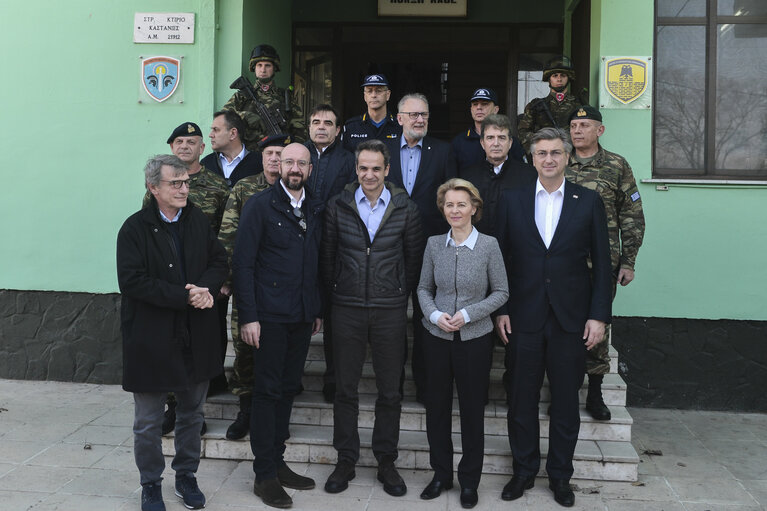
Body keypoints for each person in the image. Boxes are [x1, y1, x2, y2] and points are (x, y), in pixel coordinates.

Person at [494, 128, 611, 507]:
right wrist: (501, 309)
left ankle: (561, 477)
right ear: (531, 158)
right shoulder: (511, 199)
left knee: (564, 403)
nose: (548, 159)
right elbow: (500, 261)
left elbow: (603, 265)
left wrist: (598, 316)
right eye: (541, 153)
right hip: (523, 317)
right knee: (521, 401)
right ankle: (523, 471)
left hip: (570, 320)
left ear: (566, 157)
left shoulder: (588, 201)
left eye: (556, 153)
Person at [117, 154, 228, 511]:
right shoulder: (134, 229)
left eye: (186, 182)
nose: (184, 189)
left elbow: (219, 261)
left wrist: (205, 289)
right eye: (175, 183)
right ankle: (151, 484)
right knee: (148, 423)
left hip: (196, 336)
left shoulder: (197, 221)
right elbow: (132, 282)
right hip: (151, 340)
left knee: (192, 414)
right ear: (153, 188)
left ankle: (186, 476)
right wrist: (184, 295)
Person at [320, 139, 423, 498]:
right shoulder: (338, 205)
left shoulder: (406, 208)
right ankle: (345, 459)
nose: (369, 175)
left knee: (390, 391)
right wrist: (336, 293)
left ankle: (386, 461)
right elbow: (328, 256)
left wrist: (396, 293)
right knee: (344, 389)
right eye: (363, 168)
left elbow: (412, 262)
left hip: (389, 309)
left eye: (376, 168)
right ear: (356, 169)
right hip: (346, 307)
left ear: (387, 170)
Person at [232, 143, 323, 509]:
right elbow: (243, 265)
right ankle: (264, 474)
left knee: (287, 390)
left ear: (310, 169)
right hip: (267, 317)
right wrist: (248, 316)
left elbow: (318, 262)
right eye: (289, 162)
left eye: (302, 162)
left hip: (300, 316)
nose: (295, 167)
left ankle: (278, 461)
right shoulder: (259, 205)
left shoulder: (315, 207)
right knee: (267, 393)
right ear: (278, 165)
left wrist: (315, 308)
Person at [416, 178, 508, 509]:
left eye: (462, 204)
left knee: (471, 411)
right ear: (443, 209)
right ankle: (441, 475)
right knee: (437, 408)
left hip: (474, 340)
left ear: (474, 208)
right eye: (449, 204)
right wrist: (434, 315)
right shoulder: (432, 245)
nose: (455, 210)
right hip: (437, 337)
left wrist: (468, 314)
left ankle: (469, 481)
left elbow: (501, 292)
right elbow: (423, 288)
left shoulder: (489, 246)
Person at [141, 122, 230, 436]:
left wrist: (218, 281)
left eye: (191, 142)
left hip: (206, 287)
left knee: (206, 346)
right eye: (178, 141)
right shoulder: (154, 190)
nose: (184, 147)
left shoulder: (219, 186)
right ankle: (172, 407)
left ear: (202, 148)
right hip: (171, 289)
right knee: (170, 346)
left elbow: (224, 236)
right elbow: (150, 237)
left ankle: (196, 408)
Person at [566, 106, 646, 420]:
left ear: (599, 130)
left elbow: (632, 215)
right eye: (573, 125)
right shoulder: (559, 161)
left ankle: (595, 391)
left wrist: (629, 261)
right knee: (566, 325)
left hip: (604, 263)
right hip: (565, 262)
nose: (577, 131)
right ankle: (567, 389)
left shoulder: (616, 165)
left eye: (584, 125)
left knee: (598, 324)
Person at [217, 133, 291, 440]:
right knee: (245, 348)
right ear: (261, 158)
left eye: (280, 154)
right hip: (250, 284)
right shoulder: (244, 189)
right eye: (270, 154)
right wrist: (228, 279)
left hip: (284, 289)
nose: (274, 159)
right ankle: (245, 410)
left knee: (281, 354)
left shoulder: (298, 190)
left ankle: (276, 415)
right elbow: (228, 235)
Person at [385, 92, 457, 402]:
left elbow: (452, 199)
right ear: (399, 118)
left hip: (432, 247)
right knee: (393, 320)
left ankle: (426, 386)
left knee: (429, 319)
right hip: (390, 248)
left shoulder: (443, 151)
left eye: (424, 115)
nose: (420, 119)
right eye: (413, 114)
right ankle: (394, 385)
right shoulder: (382, 150)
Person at [304, 103, 356, 402]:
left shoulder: (349, 160)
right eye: (316, 121)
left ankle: (334, 380)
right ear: (309, 127)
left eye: (328, 122)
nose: (321, 126)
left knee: (335, 319)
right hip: (299, 243)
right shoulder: (299, 155)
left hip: (336, 244)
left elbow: (350, 196)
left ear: (338, 130)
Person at [458, 114, 537, 238]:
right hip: (478, 249)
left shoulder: (529, 175)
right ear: (482, 143)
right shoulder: (467, 177)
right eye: (490, 138)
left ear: (510, 143)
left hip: (517, 250)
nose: (496, 143)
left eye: (501, 138)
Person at [223, 44, 305, 151]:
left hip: (278, 154)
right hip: (248, 154)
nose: (263, 70)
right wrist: (246, 116)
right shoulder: (242, 95)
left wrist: (293, 151)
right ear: (254, 68)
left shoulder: (285, 97)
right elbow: (223, 118)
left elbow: (299, 129)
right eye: (259, 65)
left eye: (267, 65)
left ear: (274, 68)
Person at [517, 56, 585, 153]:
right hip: (545, 154)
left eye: (563, 75)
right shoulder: (535, 106)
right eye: (555, 76)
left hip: (572, 155)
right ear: (549, 79)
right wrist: (542, 141)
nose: (559, 79)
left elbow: (586, 131)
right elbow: (523, 132)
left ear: (568, 78)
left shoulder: (579, 104)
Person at [451, 88, 525, 170]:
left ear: (495, 109)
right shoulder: (459, 142)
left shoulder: (511, 142)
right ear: (471, 109)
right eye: (475, 104)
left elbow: (521, 172)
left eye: (484, 104)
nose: (479, 107)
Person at [201, 110, 263, 187]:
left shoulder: (260, 162)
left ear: (233, 133)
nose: (211, 135)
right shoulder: (206, 163)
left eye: (216, 130)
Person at [342, 74, 401, 153]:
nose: (374, 95)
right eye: (369, 91)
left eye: (378, 91)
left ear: (388, 95)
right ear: (365, 96)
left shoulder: (399, 125)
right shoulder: (352, 127)